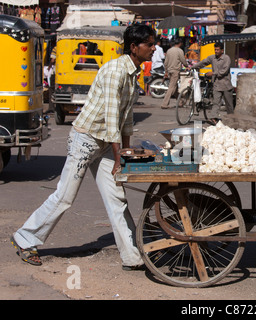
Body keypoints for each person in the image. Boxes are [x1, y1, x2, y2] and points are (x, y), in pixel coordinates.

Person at [10, 25, 156, 270]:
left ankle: (132, 257)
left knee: (116, 198)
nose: (154, 48)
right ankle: (25, 239)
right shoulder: (115, 72)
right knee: (64, 196)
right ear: (134, 47)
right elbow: (111, 119)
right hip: (86, 140)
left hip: (106, 143)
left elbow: (126, 117)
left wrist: (126, 152)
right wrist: (119, 158)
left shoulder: (133, 73)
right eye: (149, 44)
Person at [192, 42, 234, 120]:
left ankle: (231, 119)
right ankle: (213, 118)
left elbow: (224, 71)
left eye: (218, 50)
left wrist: (213, 73)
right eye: (215, 49)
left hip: (226, 85)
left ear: (222, 50)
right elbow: (203, 62)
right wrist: (193, 66)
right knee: (216, 103)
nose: (216, 51)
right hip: (216, 85)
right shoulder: (212, 58)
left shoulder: (226, 58)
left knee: (229, 105)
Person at [160, 38, 188, 109]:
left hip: (169, 70)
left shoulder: (169, 50)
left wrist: (166, 71)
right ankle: (164, 104)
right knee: (172, 87)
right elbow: (183, 60)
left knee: (174, 88)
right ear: (180, 43)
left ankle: (180, 102)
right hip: (175, 70)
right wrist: (186, 66)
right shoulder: (180, 51)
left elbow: (165, 62)